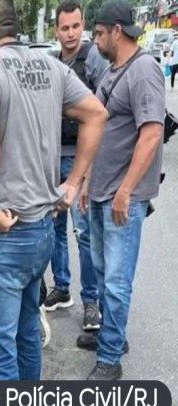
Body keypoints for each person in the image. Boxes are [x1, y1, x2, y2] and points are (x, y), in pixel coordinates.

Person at [0, 1, 107, 406]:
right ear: (15, 28)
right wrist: (74, 183)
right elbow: (96, 114)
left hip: (4, 238)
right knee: (26, 336)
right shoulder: (49, 65)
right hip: (43, 230)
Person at [76, 0, 165, 381]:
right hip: (100, 192)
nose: (93, 40)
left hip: (121, 199)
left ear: (117, 30)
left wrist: (127, 191)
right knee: (101, 272)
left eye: (98, 32)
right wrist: (85, 181)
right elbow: (98, 128)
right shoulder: (113, 70)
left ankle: (110, 358)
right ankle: (114, 336)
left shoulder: (144, 70)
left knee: (116, 280)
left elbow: (152, 134)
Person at [44, 0, 109, 332]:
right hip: (55, 155)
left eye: (75, 26)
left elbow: (102, 111)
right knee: (55, 226)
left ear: (82, 26)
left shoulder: (93, 58)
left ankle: (91, 302)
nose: (70, 33)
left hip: (80, 158)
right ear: (56, 30)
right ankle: (62, 287)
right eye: (64, 28)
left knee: (83, 232)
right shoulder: (54, 63)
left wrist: (90, 169)